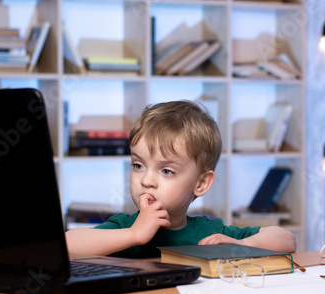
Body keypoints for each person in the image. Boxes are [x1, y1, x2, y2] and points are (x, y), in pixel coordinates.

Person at [66, 100, 296, 257]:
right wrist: (133, 235)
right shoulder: (125, 226)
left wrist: (242, 245)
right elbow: (66, 245)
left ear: (201, 183)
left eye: (166, 171)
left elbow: (286, 240)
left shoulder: (209, 231)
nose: (147, 180)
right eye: (138, 165)